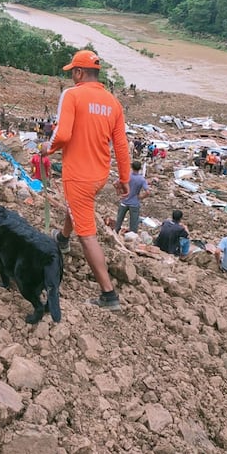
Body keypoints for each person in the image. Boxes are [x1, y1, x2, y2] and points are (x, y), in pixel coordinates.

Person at [42, 50, 131, 311]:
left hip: (78, 174)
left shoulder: (73, 95)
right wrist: (124, 178)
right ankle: (62, 239)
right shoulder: (113, 103)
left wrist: (47, 148)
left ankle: (108, 294)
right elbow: (121, 145)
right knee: (78, 207)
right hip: (99, 175)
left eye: (73, 73)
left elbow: (63, 133)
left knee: (88, 233)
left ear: (79, 73)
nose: (72, 77)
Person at [114, 160, 150, 234]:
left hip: (124, 201)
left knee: (119, 220)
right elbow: (148, 192)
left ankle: (115, 232)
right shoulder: (141, 179)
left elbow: (115, 183)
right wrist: (141, 197)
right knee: (134, 223)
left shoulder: (127, 175)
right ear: (140, 169)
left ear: (131, 167)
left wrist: (119, 192)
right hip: (134, 203)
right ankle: (132, 237)